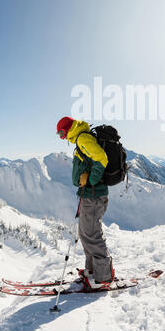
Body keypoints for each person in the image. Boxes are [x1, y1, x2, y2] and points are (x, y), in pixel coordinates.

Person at [56, 116, 115, 290]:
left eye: (61, 133)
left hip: (93, 195)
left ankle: (103, 277)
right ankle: (92, 271)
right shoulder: (81, 139)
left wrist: (91, 180)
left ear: (68, 129)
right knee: (85, 233)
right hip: (89, 194)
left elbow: (101, 158)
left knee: (91, 234)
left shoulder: (83, 138)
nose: (62, 137)